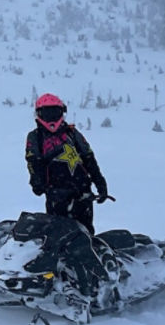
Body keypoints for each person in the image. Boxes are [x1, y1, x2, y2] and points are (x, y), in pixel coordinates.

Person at [24, 93, 109, 235]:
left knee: (85, 233)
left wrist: (100, 182)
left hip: (81, 191)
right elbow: (33, 161)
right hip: (56, 193)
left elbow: (89, 158)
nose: (51, 118)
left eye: (55, 113)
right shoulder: (35, 137)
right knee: (58, 234)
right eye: (47, 113)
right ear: (39, 114)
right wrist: (37, 181)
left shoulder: (72, 133)